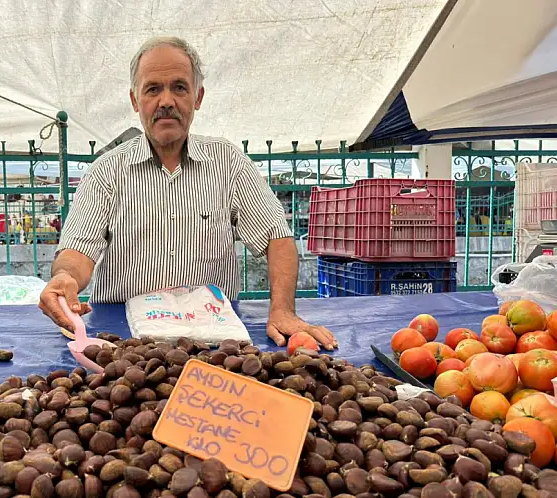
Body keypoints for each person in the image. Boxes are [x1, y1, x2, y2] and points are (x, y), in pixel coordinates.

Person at [38, 36, 337, 350]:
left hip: (215, 337)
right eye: (153, 89)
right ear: (135, 100)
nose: (166, 100)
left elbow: (277, 237)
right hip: (125, 337)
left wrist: (283, 311)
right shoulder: (106, 171)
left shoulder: (228, 162)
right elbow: (78, 251)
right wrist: (66, 278)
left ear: (198, 96)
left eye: (179, 87)